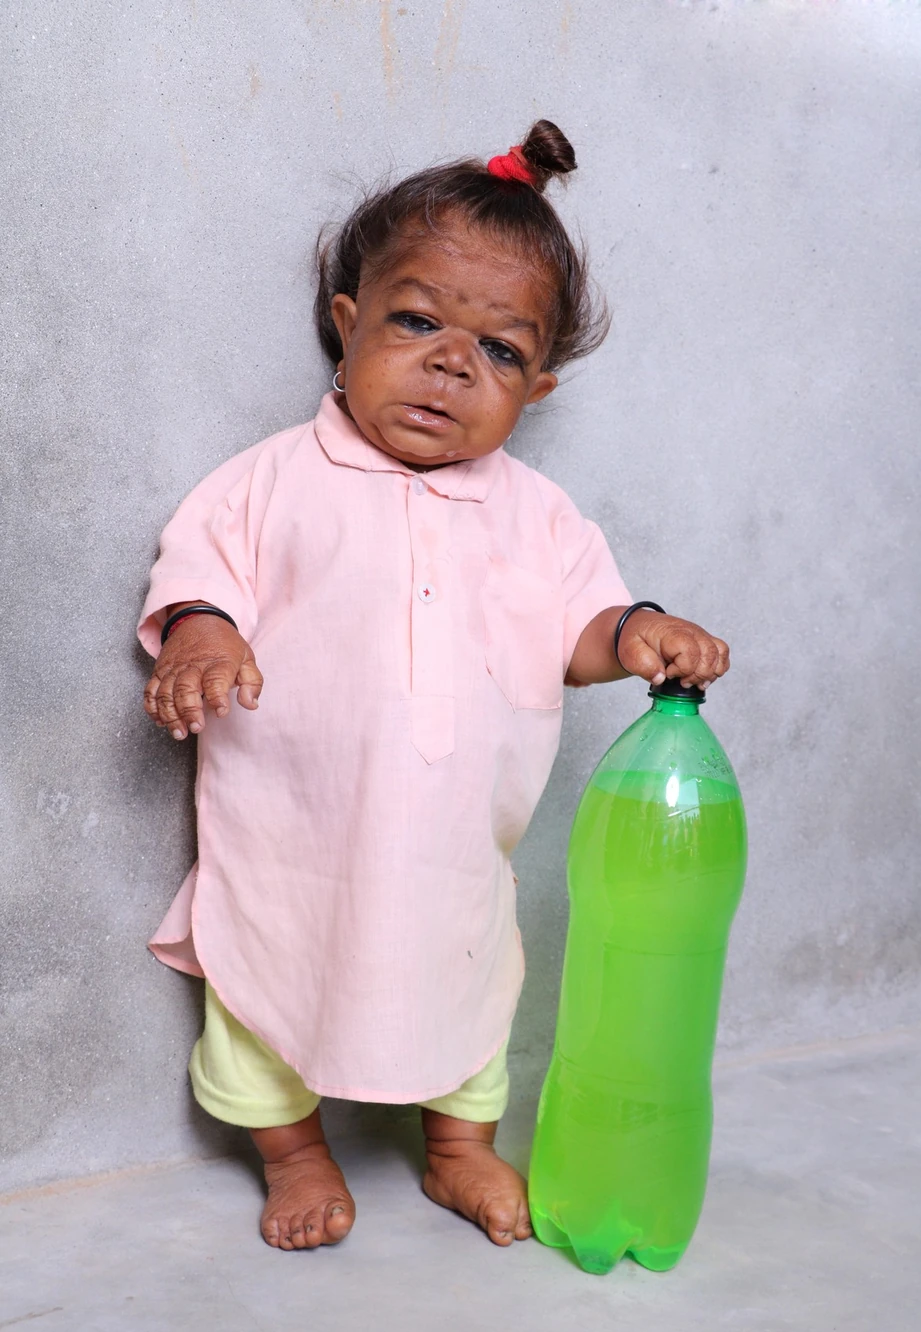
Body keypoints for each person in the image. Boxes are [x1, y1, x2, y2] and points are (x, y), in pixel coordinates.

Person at [138, 120, 730, 1254]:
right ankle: (294, 1152)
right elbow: (201, 572)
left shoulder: (539, 517)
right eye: (417, 323)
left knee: (472, 989)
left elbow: (581, 631)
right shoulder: (273, 479)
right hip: (293, 838)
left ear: (536, 389)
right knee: (260, 993)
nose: (453, 364)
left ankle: (458, 1148)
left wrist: (639, 632)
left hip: (458, 847)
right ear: (347, 323)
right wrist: (201, 636)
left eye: (498, 351)